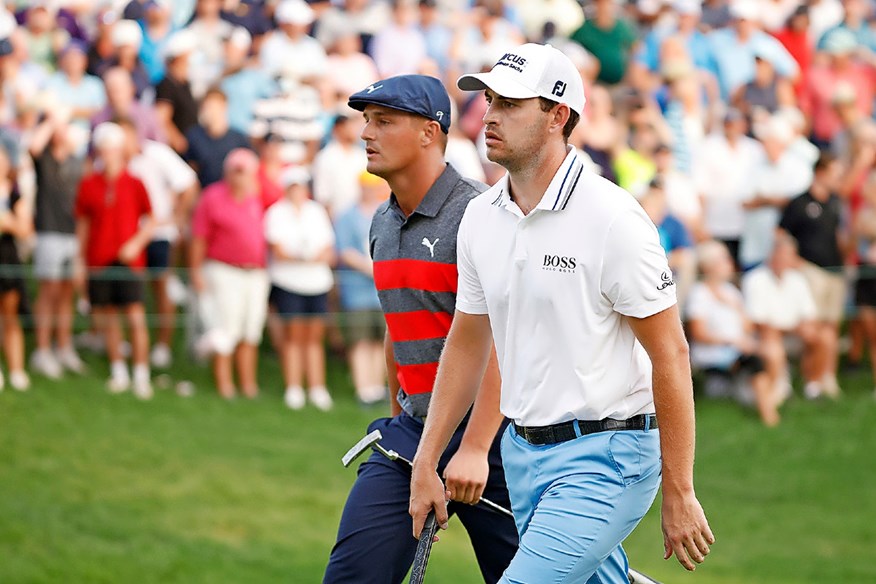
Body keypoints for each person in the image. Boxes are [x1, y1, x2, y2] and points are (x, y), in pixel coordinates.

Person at [409, 43, 713, 583]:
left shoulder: (613, 218)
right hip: (523, 455)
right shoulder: (480, 217)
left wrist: (680, 489)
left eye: (510, 104)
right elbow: (467, 341)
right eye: (489, 100)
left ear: (558, 116)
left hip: (611, 456)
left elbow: (670, 353)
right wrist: (426, 459)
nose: (489, 115)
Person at [324, 75, 518, 583]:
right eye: (366, 120)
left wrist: (475, 447)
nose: (367, 133)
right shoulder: (381, 225)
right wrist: (400, 423)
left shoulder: (483, 214)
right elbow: (397, 331)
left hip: (500, 442)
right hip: (416, 435)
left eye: (384, 121)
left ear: (430, 133)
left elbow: (503, 341)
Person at [75, 122, 156, 399]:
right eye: (104, 149)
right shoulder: (89, 185)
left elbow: (150, 221)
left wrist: (135, 243)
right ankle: (119, 372)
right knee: (109, 318)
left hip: (129, 262)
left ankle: (142, 375)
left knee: (135, 317)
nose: (108, 154)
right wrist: (80, 260)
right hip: (99, 259)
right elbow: (84, 225)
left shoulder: (135, 183)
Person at [190, 148, 276, 399]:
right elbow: (198, 238)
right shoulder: (213, 196)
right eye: (236, 171)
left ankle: (248, 385)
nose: (240, 177)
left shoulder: (260, 195)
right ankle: (225, 385)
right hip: (222, 269)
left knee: (251, 328)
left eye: (245, 171)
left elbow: (279, 197)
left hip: (256, 272)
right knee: (226, 328)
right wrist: (196, 271)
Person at [119, 117, 198, 370]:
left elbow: (187, 183)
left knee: (161, 285)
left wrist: (178, 216)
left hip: (160, 234)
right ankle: (129, 342)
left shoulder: (157, 153)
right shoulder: (114, 160)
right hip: (129, 236)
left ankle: (162, 345)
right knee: (130, 290)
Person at [265, 167, 336, 412]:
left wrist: (309, 257)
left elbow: (327, 249)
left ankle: (317, 387)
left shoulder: (315, 212)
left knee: (315, 337)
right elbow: (278, 250)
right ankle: (294, 387)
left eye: (301, 186)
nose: (298, 191)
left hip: (316, 283)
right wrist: (304, 256)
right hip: (289, 283)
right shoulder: (276, 212)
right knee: (293, 337)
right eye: (293, 186)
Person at [778, 153, 847, 399]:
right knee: (814, 327)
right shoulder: (799, 203)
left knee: (831, 327)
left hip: (835, 271)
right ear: (820, 172)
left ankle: (828, 376)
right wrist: (795, 262)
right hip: (811, 270)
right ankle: (812, 378)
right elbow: (782, 234)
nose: (837, 179)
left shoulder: (836, 202)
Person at [687, 240, 778, 425]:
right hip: (714, 353)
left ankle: (769, 399)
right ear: (709, 266)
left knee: (772, 350)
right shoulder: (699, 294)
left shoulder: (731, 292)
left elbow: (748, 327)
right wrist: (731, 341)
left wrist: (735, 307)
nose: (729, 263)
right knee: (756, 361)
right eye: (724, 260)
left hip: (737, 347)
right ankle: (769, 415)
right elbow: (698, 333)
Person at [742, 232, 820, 409]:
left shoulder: (798, 279)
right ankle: (778, 391)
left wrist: (805, 328)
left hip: (792, 333)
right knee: (772, 341)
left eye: (788, 256)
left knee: (821, 336)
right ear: (772, 255)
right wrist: (794, 329)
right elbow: (759, 323)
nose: (783, 260)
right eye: (780, 255)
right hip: (765, 337)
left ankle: (813, 386)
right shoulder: (755, 279)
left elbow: (809, 314)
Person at [334, 171, 390, 406]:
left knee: (380, 340)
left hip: (382, 291)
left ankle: (376, 388)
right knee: (360, 340)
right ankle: (363, 387)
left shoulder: (385, 212)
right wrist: (370, 268)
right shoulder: (347, 216)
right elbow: (345, 251)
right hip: (357, 289)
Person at [0, 145, 33, 391]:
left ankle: (17, 369)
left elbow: (24, 228)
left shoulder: (14, 193)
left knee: (10, 316)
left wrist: (7, 223)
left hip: (8, 258)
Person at [184, 87, 252, 188]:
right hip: (205, 195)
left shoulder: (239, 138)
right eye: (206, 107)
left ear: (224, 106)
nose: (210, 111)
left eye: (214, 106)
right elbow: (190, 169)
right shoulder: (194, 136)